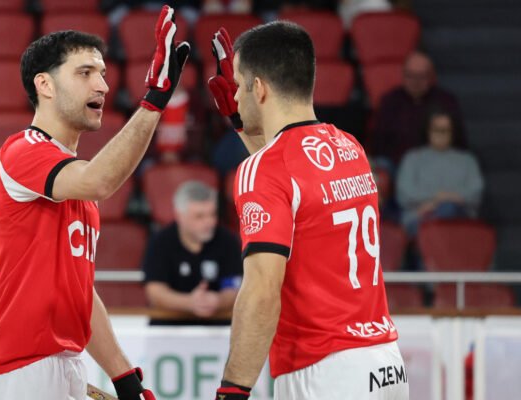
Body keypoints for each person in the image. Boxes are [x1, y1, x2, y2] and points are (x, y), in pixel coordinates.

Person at [0, 6, 190, 400]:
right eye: (85, 73)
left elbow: (79, 293)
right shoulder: (23, 150)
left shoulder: (74, 183)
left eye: (102, 73)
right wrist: (154, 102)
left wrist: (125, 378)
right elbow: (101, 180)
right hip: (20, 368)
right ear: (45, 85)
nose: (102, 85)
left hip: (63, 362)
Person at [207, 23, 408, 399]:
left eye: (238, 85)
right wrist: (239, 122)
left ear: (259, 88)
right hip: (385, 363)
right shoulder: (350, 148)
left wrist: (233, 389)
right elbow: (291, 181)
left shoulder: (262, 169)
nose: (233, 94)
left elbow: (262, 290)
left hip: (323, 369)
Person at [143, 180, 242, 325]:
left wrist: (217, 300)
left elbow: (233, 287)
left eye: (212, 214)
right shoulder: (161, 241)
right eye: (199, 216)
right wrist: (189, 302)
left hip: (217, 328)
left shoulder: (228, 241)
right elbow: (155, 291)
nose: (209, 222)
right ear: (179, 216)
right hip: (168, 328)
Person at [396, 109, 484, 237]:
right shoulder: (412, 158)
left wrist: (440, 201)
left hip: (458, 218)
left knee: (448, 209)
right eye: (436, 129)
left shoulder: (467, 160)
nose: (441, 134)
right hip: (419, 217)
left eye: (445, 130)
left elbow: (475, 192)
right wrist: (439, 198)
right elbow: (405, 193)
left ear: (453, 132)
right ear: (428, 130)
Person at [371, 51, 466, 166]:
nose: (415, 81)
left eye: (421, 76)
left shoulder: (446, 102)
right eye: (410, 75)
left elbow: (458, 141)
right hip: (396, 163)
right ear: (403, 75)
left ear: (431, 76)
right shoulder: (390, 101)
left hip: (437, 161)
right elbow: (378, 142)